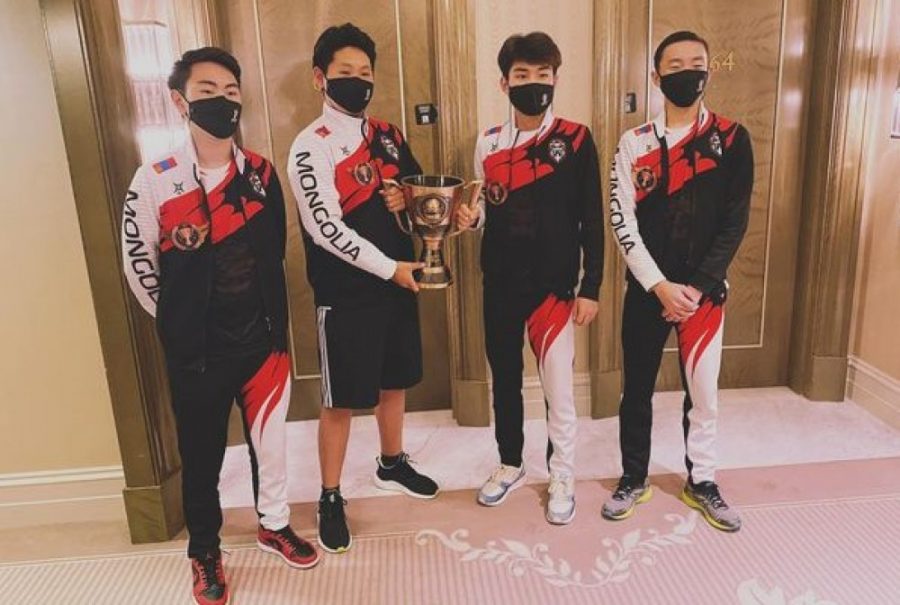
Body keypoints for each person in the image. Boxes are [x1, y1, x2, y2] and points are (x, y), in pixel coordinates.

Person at [121, 47, 319, 605]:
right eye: (208, 91)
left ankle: (273, 524)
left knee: (271, 447)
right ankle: (205, 551)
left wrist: (274, 328)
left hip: (262, 344)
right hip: (198, 351)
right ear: (180, 101)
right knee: (202, 455)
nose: (223, 100)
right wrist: (179, 323)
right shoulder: (154, 179)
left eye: (231, 91)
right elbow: (139, 265)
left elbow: (274, 252)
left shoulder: (261, 173)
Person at [286, 23, 439, 554]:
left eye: (365, 72)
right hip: (346, 292)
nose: (358, 81)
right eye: (345, 72)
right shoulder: (310, 147)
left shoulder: (389, 135)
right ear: (320, 78)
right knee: (342, 400)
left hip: (398, 280)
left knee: (394, 382)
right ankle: (330, 495)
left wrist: (406, 200)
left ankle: (391, 463)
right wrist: (388, 267)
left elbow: (421, 196)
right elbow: (324, 228)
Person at [602, 31, 754, 532]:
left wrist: (698, 286)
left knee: (704, 394)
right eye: (675, 65)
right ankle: (633, 477)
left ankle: (702, 481)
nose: (687, 72)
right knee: (636, 390)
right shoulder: (634, 143)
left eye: (696, 63)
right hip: (647, 292)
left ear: (708, 71)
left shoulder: (732, 139)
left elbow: (735, 221)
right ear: (656, 76)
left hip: (704, 295)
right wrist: (658, 285)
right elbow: (621, 220)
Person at [456, 32, 603, 525]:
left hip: (553, 288)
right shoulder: (489, 141)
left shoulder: (576, 139)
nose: (533, 83)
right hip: (499, 282)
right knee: (504, 379)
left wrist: (590, 287)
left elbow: (592, 218)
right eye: (522, 74)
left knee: (558, 387)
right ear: (505, 82)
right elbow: (484, 209)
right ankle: (510, 462)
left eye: (543, 74)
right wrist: (469, 218)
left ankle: (562, 472)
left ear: (556, 79)